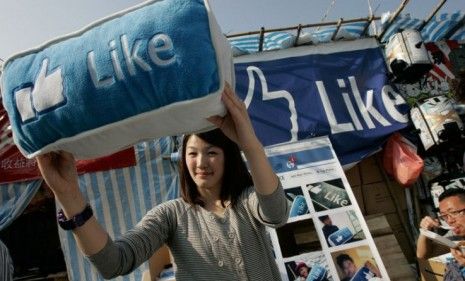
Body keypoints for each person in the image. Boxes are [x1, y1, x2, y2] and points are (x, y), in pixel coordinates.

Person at [36, 84, 289, 281]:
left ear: (228, 157)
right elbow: (113, 262)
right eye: (192, 153)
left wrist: (249, 144)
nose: (201, 162)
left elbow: (276, 213)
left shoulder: (245, 202)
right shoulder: (171, 216)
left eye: (212, 152)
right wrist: (68, 195)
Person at [417, 188, 465, 260]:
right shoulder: (455, 236)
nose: (449, 221)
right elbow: (423, 255)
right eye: (444, 216)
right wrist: (424, 231)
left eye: (454, 213)